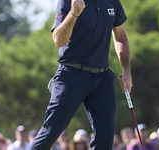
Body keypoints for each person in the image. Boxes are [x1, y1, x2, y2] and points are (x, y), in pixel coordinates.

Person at [29, 0, 132, 148]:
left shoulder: (113, 2)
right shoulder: (68, 1)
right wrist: (73, 13)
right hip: (71, 74)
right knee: (50, 131)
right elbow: (59, 40)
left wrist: (126, 72)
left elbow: (121, 37)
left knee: (105, 139)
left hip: (103, 78)